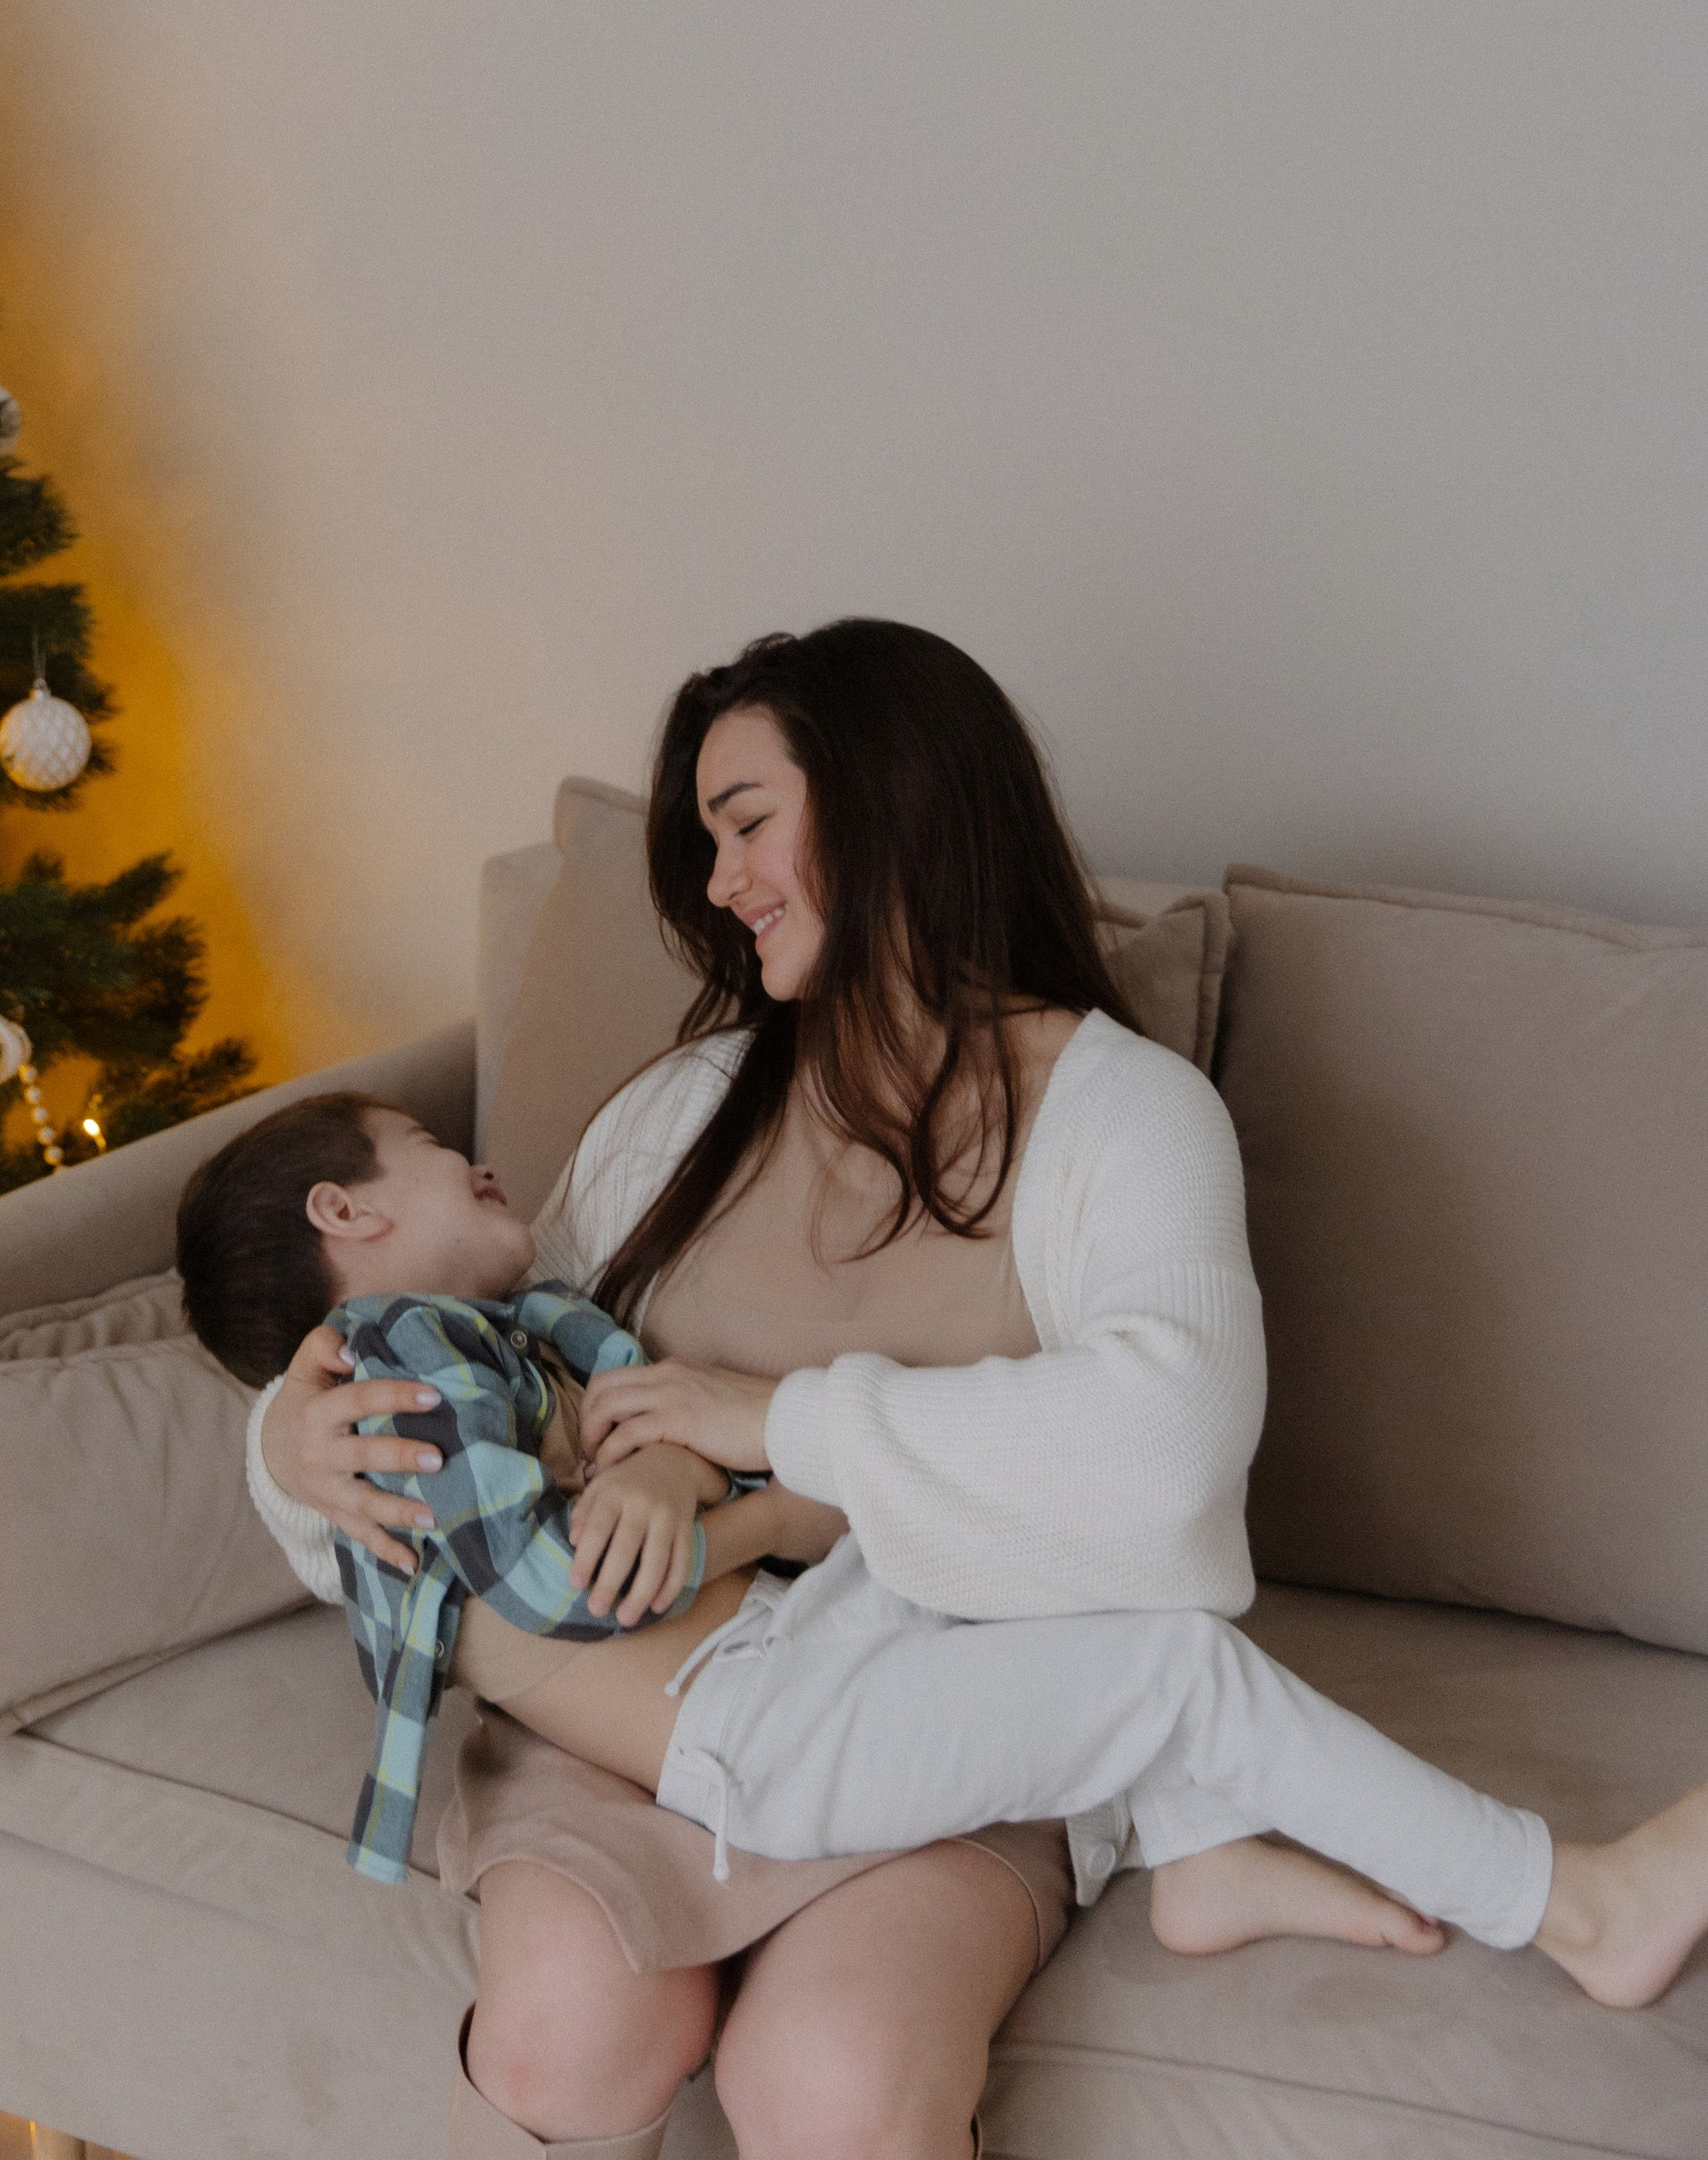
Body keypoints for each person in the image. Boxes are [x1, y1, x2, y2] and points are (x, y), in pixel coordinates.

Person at [241, 620, 1318, 2160]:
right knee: (561, 2048)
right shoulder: (684, 1112)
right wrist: (289, 1446)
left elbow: (1171, 1465)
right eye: (710, 844)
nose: (726, 882)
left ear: (894, 796)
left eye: (747, 822)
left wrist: (760, 1423)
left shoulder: (1128, 1119)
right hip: (635, 1703)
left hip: (947, 1720)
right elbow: (450, 1335)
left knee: (830, 2082)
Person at [179, 1088, 1708, 2004]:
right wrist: (694, 1496)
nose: (479, 1160)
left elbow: (622, 1449)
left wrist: (703, 1477)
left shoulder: (489, 1332)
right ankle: (1574, 1906)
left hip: (797, 1649)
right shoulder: (398, 1354)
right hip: (756, 1727)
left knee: (1048, 1543)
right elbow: (564, 1586)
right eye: (431, 1147)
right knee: (1178, 1673)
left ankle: (1203, 1857)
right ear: (346, 1212)